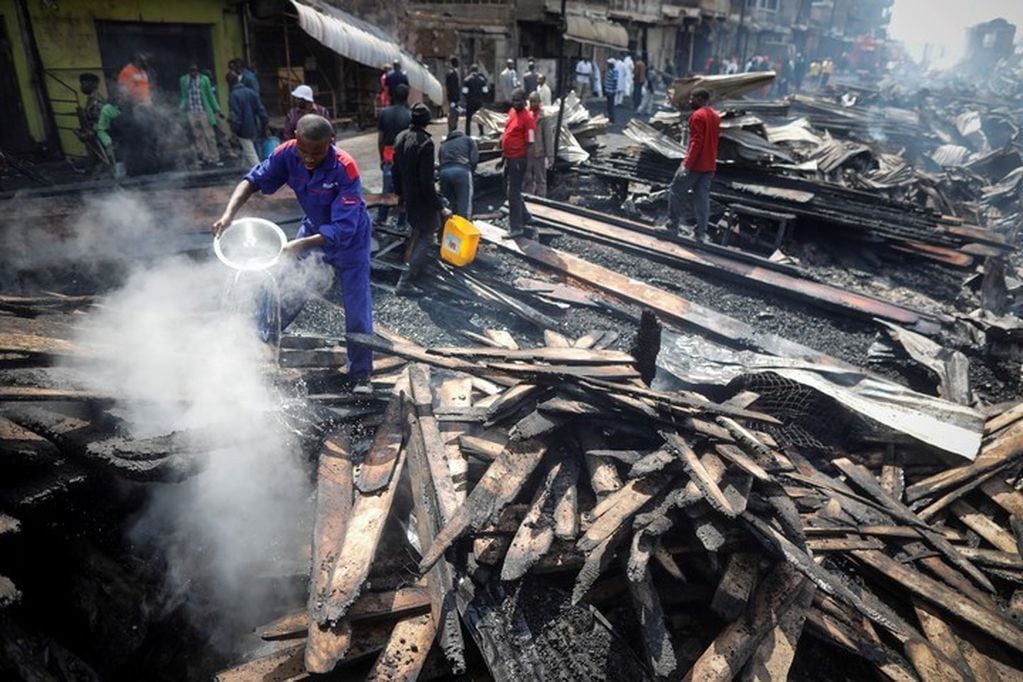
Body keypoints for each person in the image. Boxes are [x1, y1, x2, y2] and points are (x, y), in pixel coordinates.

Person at [212, 115, 373, 394]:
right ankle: (260, 345)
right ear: (295, 138)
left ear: (331, 143)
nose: (309, 159)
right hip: (312, 229)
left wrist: (296, 246)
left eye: (317, 153)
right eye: (304, 151)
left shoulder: (345, 167)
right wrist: (228, 215)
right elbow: (252, 181)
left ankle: (360, 375)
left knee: (357, 308)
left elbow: (342, 229)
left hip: (351, 241)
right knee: (285, 288)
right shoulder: (286, 153)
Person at [392, 103, 450, 295]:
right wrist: (440, 207)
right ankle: (405, 282)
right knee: (427, 235)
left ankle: (414, 270)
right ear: (427, 122)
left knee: (415, 232)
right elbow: (426, 182)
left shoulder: (400, 138)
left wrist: (400, 196)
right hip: (422, 200)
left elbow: (395, 171)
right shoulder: (425, 143)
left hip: (409, 197)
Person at [668, 88, 720, 242]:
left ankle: (671, 226)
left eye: (692, 98)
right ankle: (701, 233)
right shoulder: (715, 116)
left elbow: (696, 143)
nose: (690, 101)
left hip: (696, 165)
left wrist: (687, 165)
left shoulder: (697, 116)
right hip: (710, 165)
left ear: (700, 99)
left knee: (676, 190)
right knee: (702, 199)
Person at [500, 88, 534, 237]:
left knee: (512, 193)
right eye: (513, 100)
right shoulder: (512, 112)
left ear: (524, 101)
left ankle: (516, 227)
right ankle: (525, 216)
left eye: (518, 100)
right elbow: (507, 133)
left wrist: (528, 167)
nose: (515, 103)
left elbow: (531, 143)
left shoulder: (528, 118)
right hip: (509, 158)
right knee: (510, 190)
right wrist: (503, 157)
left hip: (519, 159)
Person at [376, 83, 411, 226]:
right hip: (404, 157)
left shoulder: (384, 113)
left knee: (387, 191)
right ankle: (401, 223)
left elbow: (380, 138)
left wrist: (381, 158)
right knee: (403, 192)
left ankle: (381, 220)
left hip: (388, 156)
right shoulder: (410, 115)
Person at [179, 63, 222, 166]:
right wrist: (181, 108)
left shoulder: (204, 80)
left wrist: (216, 108)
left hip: (203, 111)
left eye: (195, 70)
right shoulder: (184, 80)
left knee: (209, 135)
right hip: (191, 111)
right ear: (189, 71)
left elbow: (209, 95)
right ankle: (205, 156)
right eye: (192, 71)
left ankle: (215, 157)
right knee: (198, 136)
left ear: (198, 71)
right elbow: (184, 95)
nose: (194, 73)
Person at [229, 73, 268, 168]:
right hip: (255, 125)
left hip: (243, 129)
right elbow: (261, 110)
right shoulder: (251, 92)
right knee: (253, 149)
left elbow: (236, 115)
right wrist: (264, 123)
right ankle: (247, 168)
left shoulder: (234, 95)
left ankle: (260, 172)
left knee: (251, 153)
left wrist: (234, 130)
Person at [438, 128, 478, 219]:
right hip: (461, 170)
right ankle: (463, 227)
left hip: (444, 172)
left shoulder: (443, 145)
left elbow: (440, 161)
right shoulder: (468, 140)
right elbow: (474, 158)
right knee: (464, 203)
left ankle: (446, 227)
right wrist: (472, 171)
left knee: (446, 202)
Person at [524, 91, 554, 198]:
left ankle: (541, 198)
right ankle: (528, 199)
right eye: (531, 101)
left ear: (539, 102)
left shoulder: (544, 117)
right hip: (527, 152)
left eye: (535, 102)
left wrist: (550, 157)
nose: (532, 104)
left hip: (539, 152)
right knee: (528, 178)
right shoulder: (526, 114)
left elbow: (548, 138)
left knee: (540, 178)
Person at [462, 64, 488, 136]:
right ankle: (481, 132)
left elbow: (464, 92)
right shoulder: (482, 80)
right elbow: (485, 92)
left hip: (470, 102)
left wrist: (467, 99)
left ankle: (467, 134)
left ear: (470, 70)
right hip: (479, 102)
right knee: (479, 118)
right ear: (477, 71)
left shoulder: (467, 80)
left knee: (468, 119)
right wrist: (482, 98)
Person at [445, 56, 461, 134]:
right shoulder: (451, 74)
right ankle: (451, 131)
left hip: (454, 99)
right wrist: (453, 100)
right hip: (453, 99)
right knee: (452, 116)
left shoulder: (454, 73)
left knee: (455, 115)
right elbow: (451, 88)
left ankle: (453, 130)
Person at [604, 57, 619, 124]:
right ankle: (609, 118)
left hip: (611, 91)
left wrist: (613, 90)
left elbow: (615, 81)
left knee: (610, 105)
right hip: (608, 89)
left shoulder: (614, 71)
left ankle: (612, 119)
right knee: (608, 105)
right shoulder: (610, 70)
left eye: (609, 64)